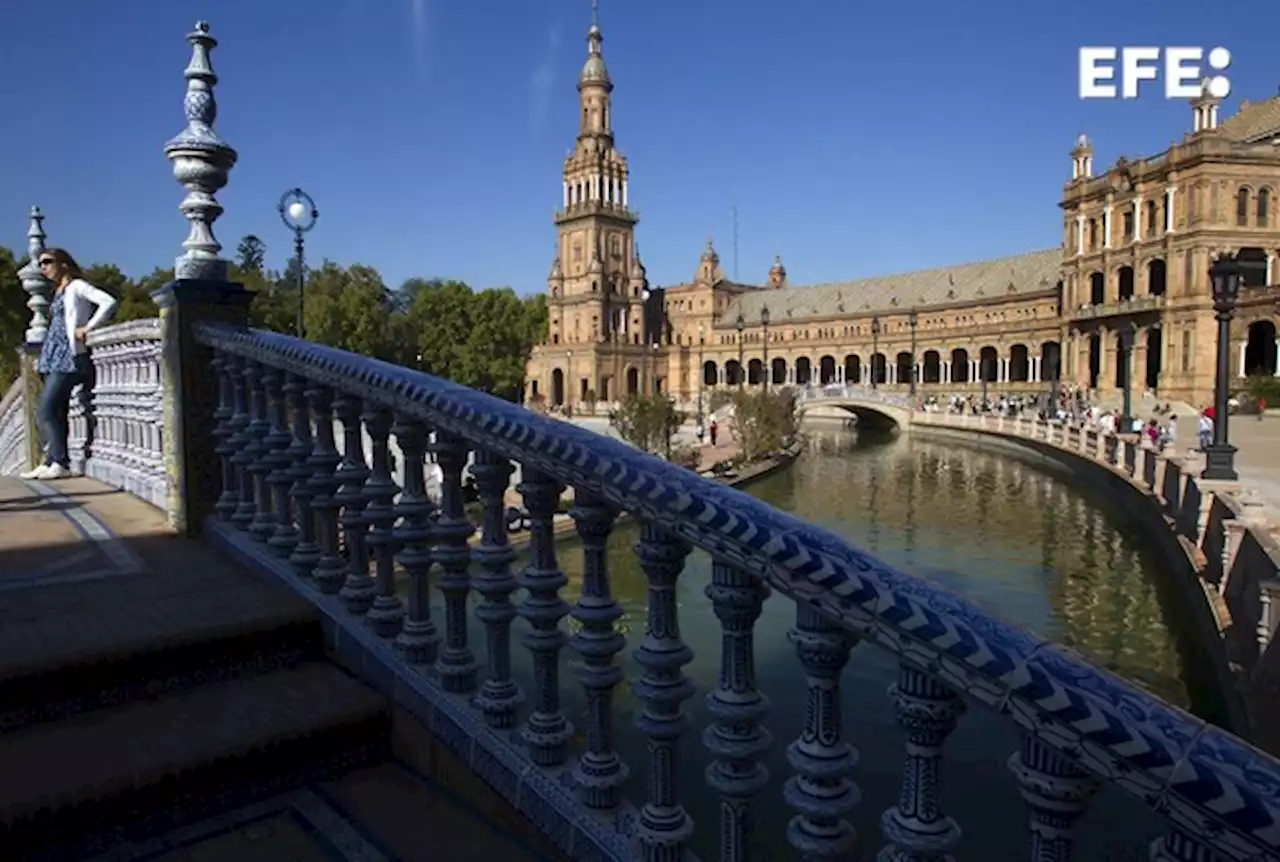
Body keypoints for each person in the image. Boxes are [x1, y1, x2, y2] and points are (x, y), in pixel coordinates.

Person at [19, 249, 117, 480]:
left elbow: (108, 302)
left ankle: (59, 461)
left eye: (47, 262)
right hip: (53, 356)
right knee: (57, 410)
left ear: (63, 264)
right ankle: (53, 460)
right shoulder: (58, 292)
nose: (43, 268)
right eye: (41, 263)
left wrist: (88, 327)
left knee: (46, 408)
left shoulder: (77, 286)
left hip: (69, 357)